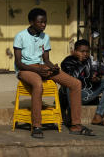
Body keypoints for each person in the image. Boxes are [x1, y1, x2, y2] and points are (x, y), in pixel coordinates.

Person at [13, 8, 93, 138]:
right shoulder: (20, 36)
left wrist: (53, 68)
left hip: (42, 67)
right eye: (40, 22)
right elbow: (18, 63)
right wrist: (37, 70)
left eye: (45, 22)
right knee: (38, 85)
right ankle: (37, 126)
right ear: (31, 22)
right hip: (26, 69)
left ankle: (76, 125)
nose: (43, 25)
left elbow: (46, 60)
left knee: (75, 84)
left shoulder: (45, 37)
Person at [60, 39, 104, 127]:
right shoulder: (67, 62)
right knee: (69, 86)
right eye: (82, 51)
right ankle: (72, 119)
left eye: (87, 51)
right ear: (75, 52)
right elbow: (72, 79)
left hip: (87, 94)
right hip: (74, 96)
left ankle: (98, 116)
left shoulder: (88, 60)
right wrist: (80, 63)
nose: (85, 54)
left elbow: (88, 78)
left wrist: (95, 79)